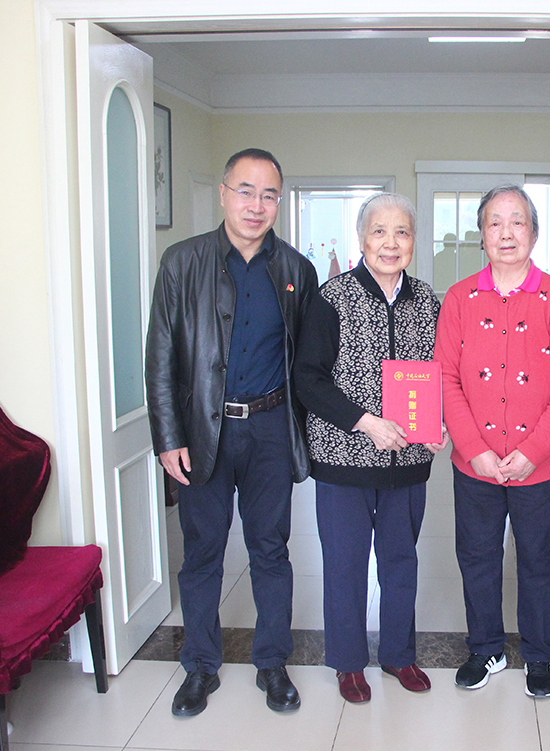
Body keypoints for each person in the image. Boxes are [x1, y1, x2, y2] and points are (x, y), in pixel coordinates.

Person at [145, 148, 317, 717]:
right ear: (223, 194)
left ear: (278, 203)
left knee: (271, 550)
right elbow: (161, 357)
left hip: (269, 430)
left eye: (269, 195)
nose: (256, 205)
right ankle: (200, 666)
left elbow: (308, 362)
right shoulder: (182, 263)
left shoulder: (295, 271)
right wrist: (168, 437)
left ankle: (272, 663)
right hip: (201, 430)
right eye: (246, 191)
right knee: (203, 553)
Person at [434, 185, 550, 699]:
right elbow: (445, 377)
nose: (506, 232)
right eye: (495, 222)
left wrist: (532, 451)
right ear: (482, 235)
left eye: (517, 221)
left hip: (541, 464)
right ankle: (486, 649)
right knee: (477, 556)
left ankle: (539, 654)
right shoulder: (459, 298)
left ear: (533, 233)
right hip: (473, 462)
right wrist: (473, 447)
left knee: (541, 560)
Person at [292, 193, 445, 704]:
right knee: (345, 564)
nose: (391, 243)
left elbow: (440, 375)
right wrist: (365, 423)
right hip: (344, 460)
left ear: (413, 241)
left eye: (402, 232)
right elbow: (308, 379)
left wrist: (439, 421)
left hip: (407, 462)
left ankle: (399, 653)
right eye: (380, 231)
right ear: (362, 239)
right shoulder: (332, 297)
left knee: (401, 562)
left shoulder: (427, 302)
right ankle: (348, 661)